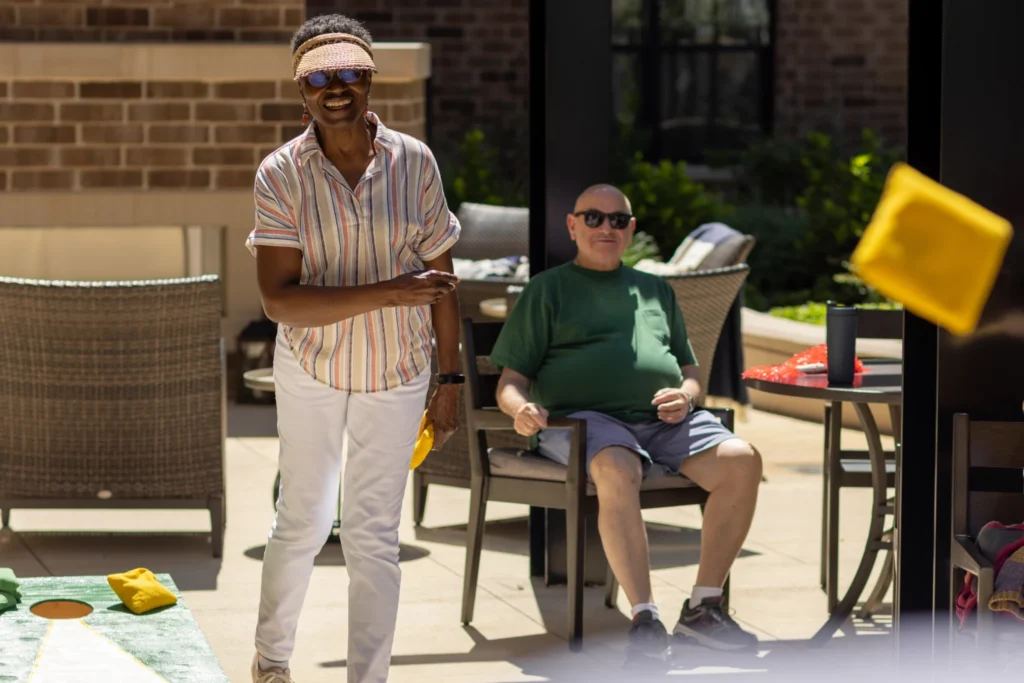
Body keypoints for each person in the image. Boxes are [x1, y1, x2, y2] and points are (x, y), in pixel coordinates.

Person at [245, 14, 463, 683]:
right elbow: (279, 300)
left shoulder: (415, 161)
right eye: (319, 77)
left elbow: (443, 282)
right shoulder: (280, 174)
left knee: (374, 536)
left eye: (348, 73)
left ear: (369, 79)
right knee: (303, 519)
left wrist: (449, 378)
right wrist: (392, 291)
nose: (335, 88)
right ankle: (272, 660)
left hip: (397, 371)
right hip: (312, 367)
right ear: (300, 89)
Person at [489, 184, 763, 660]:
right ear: (573, 226)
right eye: (593, 218)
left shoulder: (656, 289)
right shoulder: (547, 290)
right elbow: (510, 381)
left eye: (618, 220)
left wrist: (686, 395)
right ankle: (645, 619)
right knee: (618, 467)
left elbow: (692, 373)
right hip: (584, 421)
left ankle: (704, 607)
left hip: (661, 420)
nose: (606, 228)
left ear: (631, 229)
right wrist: (521, 409)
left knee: (742, 460)